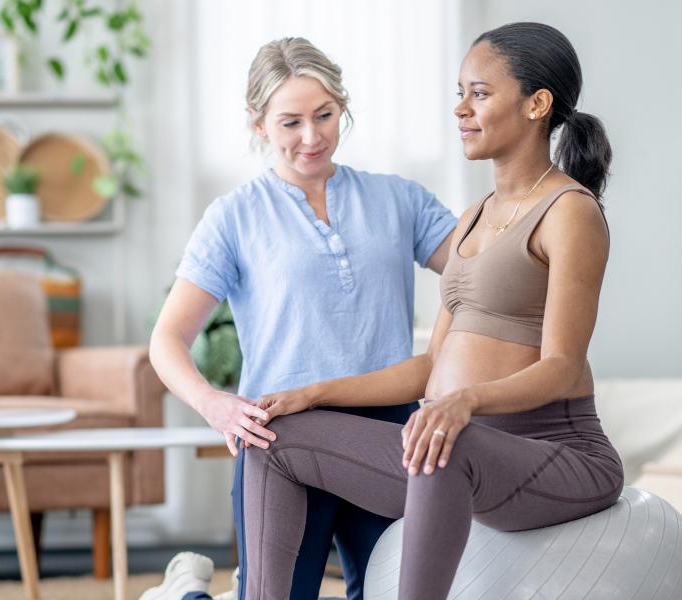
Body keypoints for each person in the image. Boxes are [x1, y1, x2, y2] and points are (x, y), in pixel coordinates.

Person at [240, 22, 623, 600]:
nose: (461, 109)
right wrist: (311, 394)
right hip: (450, 454)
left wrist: (463, 402)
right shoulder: (471, 217)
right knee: (274, 437)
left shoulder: (569, 210)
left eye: (479, 93)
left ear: (536, 104)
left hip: (553, 454)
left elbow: (563, 367)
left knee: (449, 443)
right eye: (460, 93)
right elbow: (429, 367)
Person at [146, 38, 457, 600]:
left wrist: (439, 363)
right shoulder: (233, 218)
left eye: (325, 115)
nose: (311, 137)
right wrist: (215, 405)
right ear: (259, 124)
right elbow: (167, 339)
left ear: (343, 107)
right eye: (290, 122)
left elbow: (480, 276)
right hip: (281, 439)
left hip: (388, 431)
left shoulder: (399, 200)